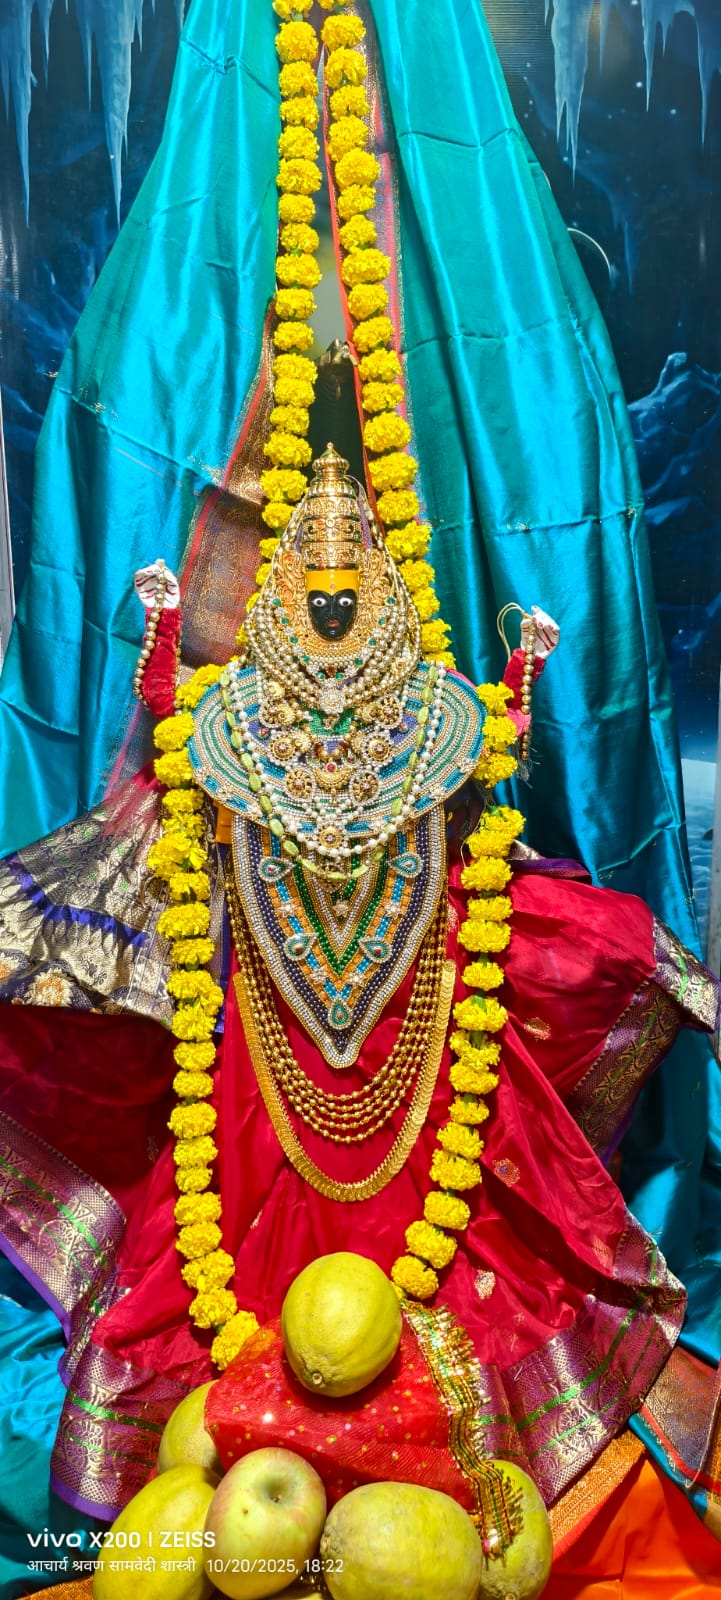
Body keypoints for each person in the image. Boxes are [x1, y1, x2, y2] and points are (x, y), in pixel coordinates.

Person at [0, 445, 716, 1560]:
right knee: (220, 1239)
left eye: (350, 568)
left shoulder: (431, 713)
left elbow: (496, 747)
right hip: (259, 1057)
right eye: (313, 569)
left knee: (577, 969)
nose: (332, 586)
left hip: (418, 1030)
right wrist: (157, 637)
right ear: (285, 579)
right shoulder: (233, 720)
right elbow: (173, 739)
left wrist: (520, 676)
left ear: (378, 575)